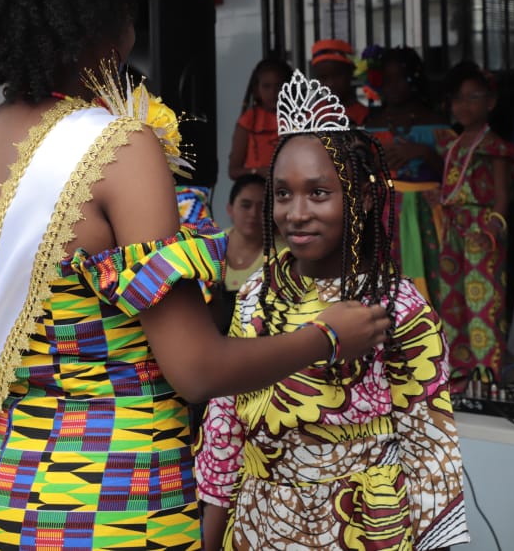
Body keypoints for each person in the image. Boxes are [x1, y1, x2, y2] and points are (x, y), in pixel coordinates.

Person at [0, 0, 389, 550]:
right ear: (102, 23)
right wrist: (331, 335)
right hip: (117, 502)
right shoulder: (117, 147)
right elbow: (195, 369)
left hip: (4, 498)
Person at [196, 70, 469, 550]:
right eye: (283, 193)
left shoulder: (397, 305)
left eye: (318, 193)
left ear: (362, 198)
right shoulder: (258, 295)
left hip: (364, 530)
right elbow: (224, 426)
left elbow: (430, 454)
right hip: (261, 525)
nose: (295, 212)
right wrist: (211, 540)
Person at [438, 62, 514, 386]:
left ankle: (486, 373)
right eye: (457, 98)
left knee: (482, 303)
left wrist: (494, 227)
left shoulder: (495, 146)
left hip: (481, 230)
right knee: (452, 300)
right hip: (453, 229)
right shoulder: (452, 144)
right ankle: (459, 371)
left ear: (490, 102)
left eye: (473, 97)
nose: (464, 105)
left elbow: (503, 196)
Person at [365, 46, 456, 305]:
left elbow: (455, 175)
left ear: (415, 79)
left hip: (429, 212)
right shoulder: (373, 124)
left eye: (399, 78)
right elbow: (363, 172)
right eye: (387, 79)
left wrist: (424, 153)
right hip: (386, 212)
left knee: (433, 273)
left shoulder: (435, 121)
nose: (392, 86)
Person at [227, 57, 292, 179]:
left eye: (278, 86)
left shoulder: (300, 119)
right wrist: (257, 171)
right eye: (266, 86)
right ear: (257, 89)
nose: (273, 92)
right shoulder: (248, 121)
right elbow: (233, 171)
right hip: (257, 189)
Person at [220, 174, 269, 332]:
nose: (253, 214)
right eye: (245, 205)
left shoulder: (282, 253)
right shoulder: (208, 245)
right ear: (230, 209)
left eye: (262, 207)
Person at [311, 38, 368, 125]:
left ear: (350, 72)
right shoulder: (313, 114)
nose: (330, 83)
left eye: (337, 75)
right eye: (323, 77)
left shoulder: (366, 117)